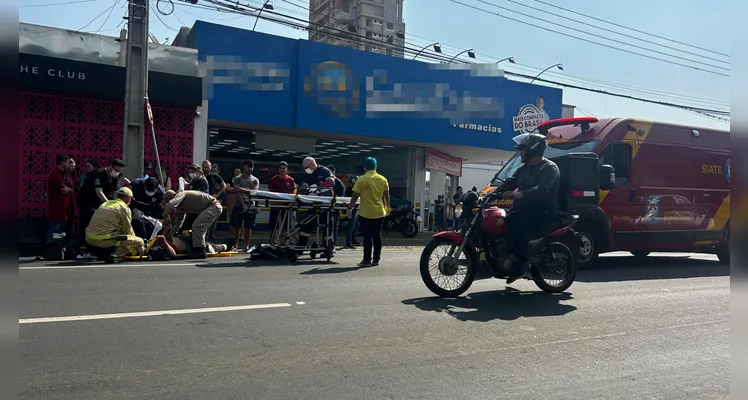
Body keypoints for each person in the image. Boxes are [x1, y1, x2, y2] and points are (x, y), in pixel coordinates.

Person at [495, 132, 560, 283]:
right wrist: (490, 194)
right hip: (523, 210)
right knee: (500, 221)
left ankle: (521, 265)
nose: (521, 153)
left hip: (542, 212)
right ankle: (504, 257)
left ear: (533, 149)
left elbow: (541, 190)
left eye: (523, 150)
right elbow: (509, 183)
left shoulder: (549, 168)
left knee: (517, 223)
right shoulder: (524, 168)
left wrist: (518, 195)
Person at [347, 157, 390, 267]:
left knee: (367, 236)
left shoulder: (361, 179)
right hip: (379, 212)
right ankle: (376, 259)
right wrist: (387, 208)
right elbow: (386, 196)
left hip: (365, 212)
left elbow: (355, 196)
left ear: (365, 167)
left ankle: (366, 260)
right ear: (376, 167)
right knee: (377, 236)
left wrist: (350, 208)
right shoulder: (383, 179)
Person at [85, 187, 145, 263]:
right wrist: (137, 245)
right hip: (103, 240)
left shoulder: (106, 203)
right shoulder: (123, 208)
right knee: (139, 241)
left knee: (117, 234)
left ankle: (102, 252)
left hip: (89, 238)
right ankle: (118, 252)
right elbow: (128, 230)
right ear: (128, 199)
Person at [161, 189, 224, 259]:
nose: (166, 203)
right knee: (196, 227)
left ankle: (200, 251)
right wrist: (170, 236)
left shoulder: (181, 194)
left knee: (197, 226)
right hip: (210, 207)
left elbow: (170, 205)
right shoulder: (180, 205)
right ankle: (204, 248)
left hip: (213, 206)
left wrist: (163, 217)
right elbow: (179, 223)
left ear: (171, 198)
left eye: (166, 201)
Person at [78, 158, 125, 243]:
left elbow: (114, 192)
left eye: (119, 171)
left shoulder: (115, 177)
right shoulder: (98, 174)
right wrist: (110, 206)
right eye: (116, 170)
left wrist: (116, 205)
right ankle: (84, 245)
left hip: (99, 201)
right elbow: (99, 192)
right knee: (88, 221)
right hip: (87, 201)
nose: (117, 172)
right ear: (110, 166)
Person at [297, 157, 335, 252]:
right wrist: (305, 190)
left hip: (325, 203)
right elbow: (304, 186)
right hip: (313, 203)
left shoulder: (325, 171)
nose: (306, 170)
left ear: (313, 165)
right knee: (307, 225)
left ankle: (329, 249)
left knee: (327, 227)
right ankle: (300, 248)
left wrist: (318, 187)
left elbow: (331, 182)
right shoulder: (307, 174)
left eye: (307, 167)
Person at [230, 160, 260, 252]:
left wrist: (241, 189)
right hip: (238, 204)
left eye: (251, 167)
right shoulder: (238, 178)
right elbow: (236, 190)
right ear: (244, 167)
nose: (249, 169)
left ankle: (246, 246)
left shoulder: (255, 180)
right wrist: (243, 204)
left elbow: (254, 192)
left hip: (251, 205)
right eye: (248, 166)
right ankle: (235, 245)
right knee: (237, 226)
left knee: (248, 227)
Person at [46, 154, 75, 243]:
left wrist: (69, 189)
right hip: (57, 206)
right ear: (62, 163)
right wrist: (70, 190)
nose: (68, 165)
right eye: (67, 162)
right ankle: (48, 246)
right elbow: (63, 189)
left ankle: (54, 248)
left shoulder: (63, 174)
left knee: (58, 229)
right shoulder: (56, 174)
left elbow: (67, 189)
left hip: (63, 207)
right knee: (55, 227)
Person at [148, 235, 236, 261]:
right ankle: (225, 246)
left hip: (184, 240)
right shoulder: (155, 250)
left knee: (207, 244)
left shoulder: (151, 244)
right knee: (209, 246)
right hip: (189, 246)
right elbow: (173, 255)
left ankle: (224, 245)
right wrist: (164, 243)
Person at [267, 161, 296, 241]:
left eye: (284, 168)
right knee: (275, 225)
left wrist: (291, 202)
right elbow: (270, 192)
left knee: (286, 226)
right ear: (278, 169)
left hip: (286, 207)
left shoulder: (290, 180)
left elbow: (293, 191)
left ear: (287, 170)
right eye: (280, 168)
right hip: (276, 206)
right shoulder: (274, 179)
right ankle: (275, 241)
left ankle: (284, 241)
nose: (282, 170)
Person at [202, 160, 227, 240]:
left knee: (213, 218)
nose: (206, 169)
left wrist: (217, 195)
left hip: (212, 200)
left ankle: (211, 234)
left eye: (207, 167)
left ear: (210, 167)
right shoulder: (199, 175)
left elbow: (223, 185)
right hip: (201, 200)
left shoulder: (214, 176)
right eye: (204, 167)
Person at [327, 165, 345, 247]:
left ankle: (332, 245)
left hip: (335, 209)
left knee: (333, 227)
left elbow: (341, 196)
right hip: (326, 208)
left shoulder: (338, 183)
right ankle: (326, 244)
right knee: (326, 227)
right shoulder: (326, 182)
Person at [344, 174, 361, 249]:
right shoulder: (350, 189)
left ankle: (353, 239)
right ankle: (348, 242)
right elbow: (354, 198)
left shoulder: (354, 188)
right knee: (351, 225)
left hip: (355, 208)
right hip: (351, 208)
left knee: (356, 224)